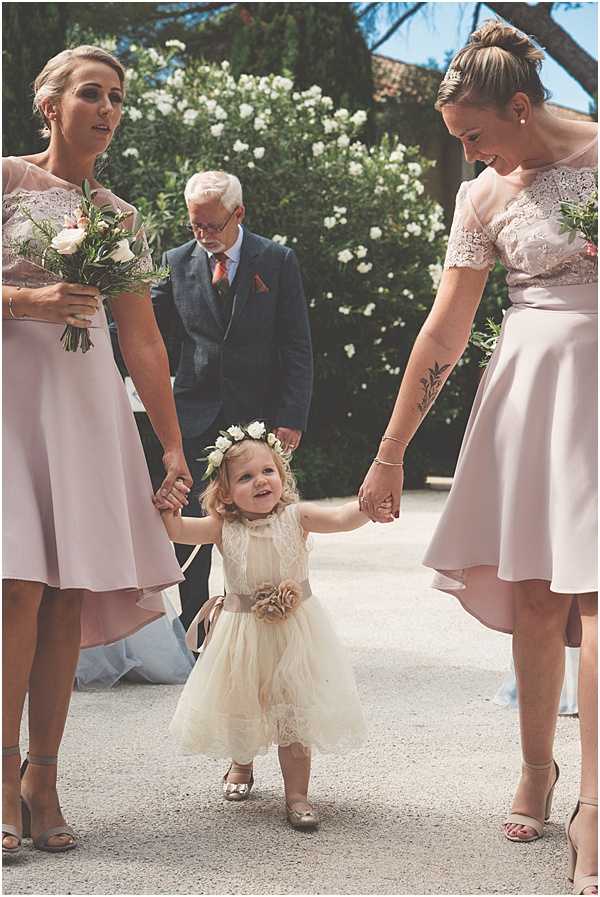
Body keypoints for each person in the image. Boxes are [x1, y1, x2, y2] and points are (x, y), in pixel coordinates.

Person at [358, 21, 597, 895]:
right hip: (532, 394)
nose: (467, 155)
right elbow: (446, 328)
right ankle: (539, 767)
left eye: (474, 137)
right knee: (537, 592)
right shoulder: (482, 197)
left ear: (523, 108)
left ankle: (596, 803)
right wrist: (390, 454)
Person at [2, 45, 191, 856]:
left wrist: (174, 445)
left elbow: (142, 339)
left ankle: (44, 778)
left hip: (85, 407)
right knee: (18, 585)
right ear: (50, 105)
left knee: (69, 592)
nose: (106, 109)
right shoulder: (7, 180)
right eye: (91, 93)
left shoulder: (120, 214)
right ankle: (0, 775)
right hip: (11, 399)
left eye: (116, 97)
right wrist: (30, 297)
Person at [162, 422, 383, 829]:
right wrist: (169, 508)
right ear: (226, 492)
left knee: (293, 713)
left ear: (282, 475)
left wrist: (368, 508)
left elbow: (340, 517)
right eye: (245, 477)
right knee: (241, 704)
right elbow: (177, 530)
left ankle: (297, 794)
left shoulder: (297, 517)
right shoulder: (222, 527)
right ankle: (241, 764)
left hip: (296, 635)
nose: (260, 481)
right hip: (242, 634)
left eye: (268, 471)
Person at [152, 171, 313, 647]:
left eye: (213, 226)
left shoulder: (277, 261)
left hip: (259, 419)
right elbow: (149, 338)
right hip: (194, 414)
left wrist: (291, 417)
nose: (203, 236)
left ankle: (257, 626)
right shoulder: (175, 263)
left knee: (259, 527)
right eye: (194, 226)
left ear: (239, 214)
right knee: (197, 528)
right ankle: (195, 631)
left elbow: (297, 345)